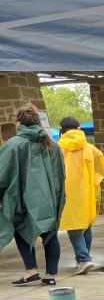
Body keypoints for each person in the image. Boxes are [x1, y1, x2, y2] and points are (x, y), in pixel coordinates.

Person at [0, 105, 65, 286]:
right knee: (50, 235)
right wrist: (57, 199)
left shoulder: (13, 145)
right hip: (49, 199)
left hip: (22, 200)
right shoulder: (53, 146)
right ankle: (50, 275)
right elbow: (60, 176)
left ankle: (31, 270)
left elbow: (2, 173)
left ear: (19, 122)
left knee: (21, 232)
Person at [58, 116, 104, 275]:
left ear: (62, 130)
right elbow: (100, 167)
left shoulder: (58, 148)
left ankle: (84, 258)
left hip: (67, 193)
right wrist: (94, 182)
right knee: (86, 224)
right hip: (87, 192)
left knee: (74, 226)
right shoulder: (90, 148)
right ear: (78, 128)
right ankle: (82, 259)